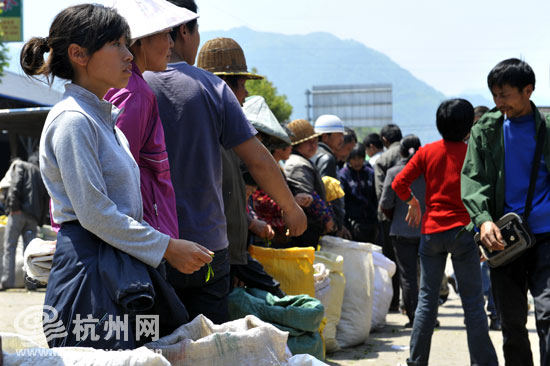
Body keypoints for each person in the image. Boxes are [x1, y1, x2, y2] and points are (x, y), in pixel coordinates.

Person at [21, 4, 212, 348]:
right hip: (92, 275)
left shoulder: (105, 120)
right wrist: (166, 247)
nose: (129, 54)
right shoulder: (73, 120)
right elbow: (95, 214)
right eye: (117, 44)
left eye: (128, 43)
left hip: (117, 266)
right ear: (79, 54)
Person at [144, 0, 306, 324]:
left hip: (154, 246)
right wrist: (290, 207)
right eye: (198, 29)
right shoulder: (212, 88)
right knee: (206, 344)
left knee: (155, 346)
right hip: (207, 250)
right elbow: (259, 160)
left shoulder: (132, 86)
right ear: (184, 29)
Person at [392, 98, 497, 366]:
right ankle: (483, 362)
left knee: (427, 300)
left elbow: (399, 183)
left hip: (432, 233)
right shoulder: (473, 152)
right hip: (464, 232)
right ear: (468, 126)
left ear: (439, 124)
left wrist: (413, 202)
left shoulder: (426, 152)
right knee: (473, 304)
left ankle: (417, 361)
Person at [462, 58, 550, 366]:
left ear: (528, 91)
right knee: (511, 323)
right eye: (494, 95)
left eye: (505, 95)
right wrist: (483, 221)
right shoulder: (485, 131)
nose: (499, 103)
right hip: (504, 239)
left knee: (549, 315)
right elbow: (473, 179)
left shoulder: (547, 128)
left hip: (547, 235)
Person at [104, 0, 198, 239]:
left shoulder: (130, 86)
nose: (170, 43)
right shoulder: (135, 93)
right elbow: (121, 171)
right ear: (140, 40)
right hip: (145, 230)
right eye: (166, 33)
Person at [379, 135, 425, 327]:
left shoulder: (393, 172)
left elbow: (385, 203)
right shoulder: (428, 171)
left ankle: (414, 317)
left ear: (401, 152)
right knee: (428, 274)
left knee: (407, 276)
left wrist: (395, 216)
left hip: (401, 229)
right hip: (427, 229)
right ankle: (428, 315)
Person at [0, 153, 48, 290]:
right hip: (32, 218)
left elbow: (15, 185)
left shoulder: (20, 165)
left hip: (18, 214)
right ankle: (31, 284)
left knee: (10, 247)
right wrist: (40, 220)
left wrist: (13, 208)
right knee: (30, 252)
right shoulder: (40, 173)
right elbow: (45, 198)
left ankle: (6, 282)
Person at [284, 119, 333, 247]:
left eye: (315, 141)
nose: (313, 146)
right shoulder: (298, 164)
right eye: (308, 142)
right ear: (296, 145)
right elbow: (308, 197)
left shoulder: (302, 160)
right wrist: (326, 218)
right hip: (306, 228)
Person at [375, 123, 403, 311]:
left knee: (391, 261)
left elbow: (380, 193)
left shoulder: (382, 159)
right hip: (414, 217)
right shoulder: (416, 155)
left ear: (384, 140)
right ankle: (409, 303)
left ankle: (393, 302)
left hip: (389, 218)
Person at [312, 114, 349, 238]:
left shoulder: (313, 154)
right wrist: (337, 223)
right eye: (338, 135)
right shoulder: (327, 158)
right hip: (326, 223)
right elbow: (329, 194)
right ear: (325, 136)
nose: (342, 139)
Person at [337, 143, 378, 243]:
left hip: (370, 222)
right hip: (351, 223)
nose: (357, 162)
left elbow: (375, 196)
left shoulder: (370, 173)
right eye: (353, 159)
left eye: (359, 158)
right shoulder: (343, 174)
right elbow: (341, 200)